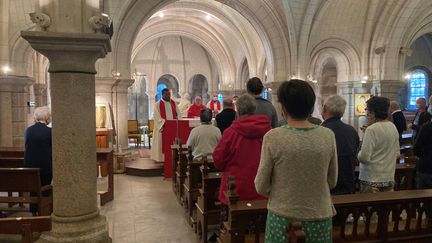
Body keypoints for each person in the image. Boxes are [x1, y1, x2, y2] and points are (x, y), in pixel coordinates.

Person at [255, 79, 337, 242]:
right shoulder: (327, 135)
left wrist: (285, 193)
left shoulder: (273, 137)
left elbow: (261, 186)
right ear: (311, 106)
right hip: (319, 215)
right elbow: (332, 181)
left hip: (283, 216)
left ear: (283, 108)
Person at [213, 94, 271, 206]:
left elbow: (218, 161)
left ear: (238, 111)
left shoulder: (230, 133)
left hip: (235, 190)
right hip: (263, 190)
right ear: (255, 109)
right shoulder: (269, 132)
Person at [358, 96, 400, 193]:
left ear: (372, 112)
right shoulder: (392, 127)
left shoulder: (371, 129)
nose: (366, 112)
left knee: (370, 208)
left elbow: (364, 158)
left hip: (371, 179)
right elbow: (397, 153)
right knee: (386, 207)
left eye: (367, 109)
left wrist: (358, 153)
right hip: (388, 177)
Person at [322, 95, 360, 195]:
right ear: (342, 112)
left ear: (324, 109)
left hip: (327, 189)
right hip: (348, 186)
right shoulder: (351, 131)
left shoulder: (321, 132)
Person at [24, 106, 53, 215]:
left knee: (34, 188)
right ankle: (44, 211)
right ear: (47, 117)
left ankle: (33, 211)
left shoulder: (28, 130)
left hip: (29, 168)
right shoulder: (49, 132)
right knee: (44, 187)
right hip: (45, 168)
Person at [151, 88, 181, 162]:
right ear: (162, 95)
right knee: (161, 143)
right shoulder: (158, 104)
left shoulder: (173, 103)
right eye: (166, 94)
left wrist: (178, 120)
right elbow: (156, 116)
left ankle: (172, 157)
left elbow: (179, 114)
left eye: (169, 94)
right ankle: (161, 159)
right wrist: (164, 123)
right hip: (163, 128)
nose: (168, 96)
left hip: (173, 128)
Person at [414, 95, 432, 189]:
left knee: (423, 196)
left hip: (427, 168)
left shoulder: (427, 127)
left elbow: (416, 149)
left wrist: (424, 156)